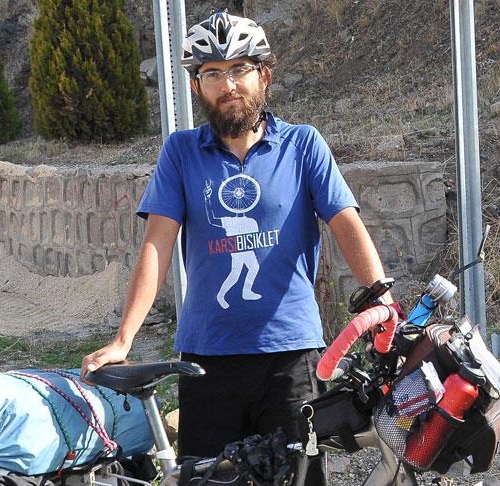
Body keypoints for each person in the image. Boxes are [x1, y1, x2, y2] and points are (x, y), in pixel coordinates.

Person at [81, 11, 394, 485]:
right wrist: (124, 338)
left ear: (263, 75)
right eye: (212, 73)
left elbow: (345, 221)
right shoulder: (181, 153)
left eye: (240, 69)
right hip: (208, 360)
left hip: (291, 357)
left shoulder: (302, 145)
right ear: (196, 86)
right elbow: (156, 246)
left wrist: (381, 299)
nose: (228, 85)